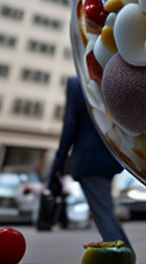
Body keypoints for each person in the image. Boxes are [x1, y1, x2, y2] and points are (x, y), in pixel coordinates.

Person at [49, 76, 129, 246]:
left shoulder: (76, 83)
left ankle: (119, 255)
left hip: (89, 158)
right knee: (104, 211)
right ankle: (123, 253)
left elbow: (70, 123)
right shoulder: (111, 80)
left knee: (103, 213)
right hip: (109, 157)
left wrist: (59, 162)